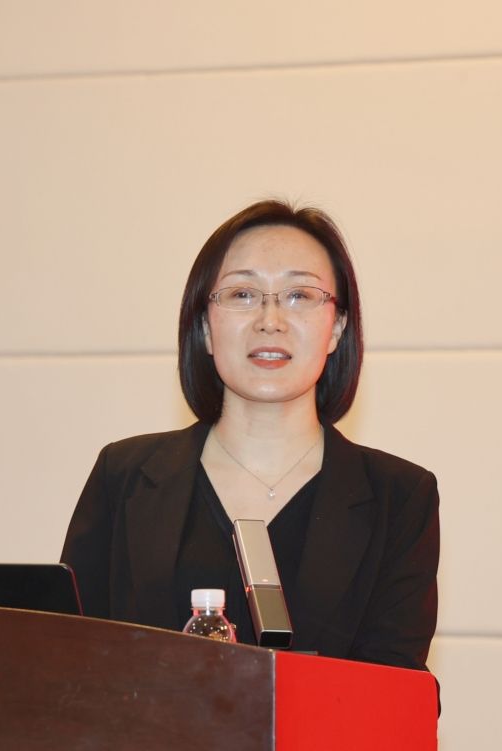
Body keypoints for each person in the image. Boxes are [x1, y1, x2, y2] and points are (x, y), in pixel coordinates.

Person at [61, 199, 439, 675]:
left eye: (300, 295)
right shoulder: (125, 477)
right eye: (242, 294)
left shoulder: (399, 498)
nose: (270, 320)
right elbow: (65, 663)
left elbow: (398, 692)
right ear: (204, 325)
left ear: (337, 328)